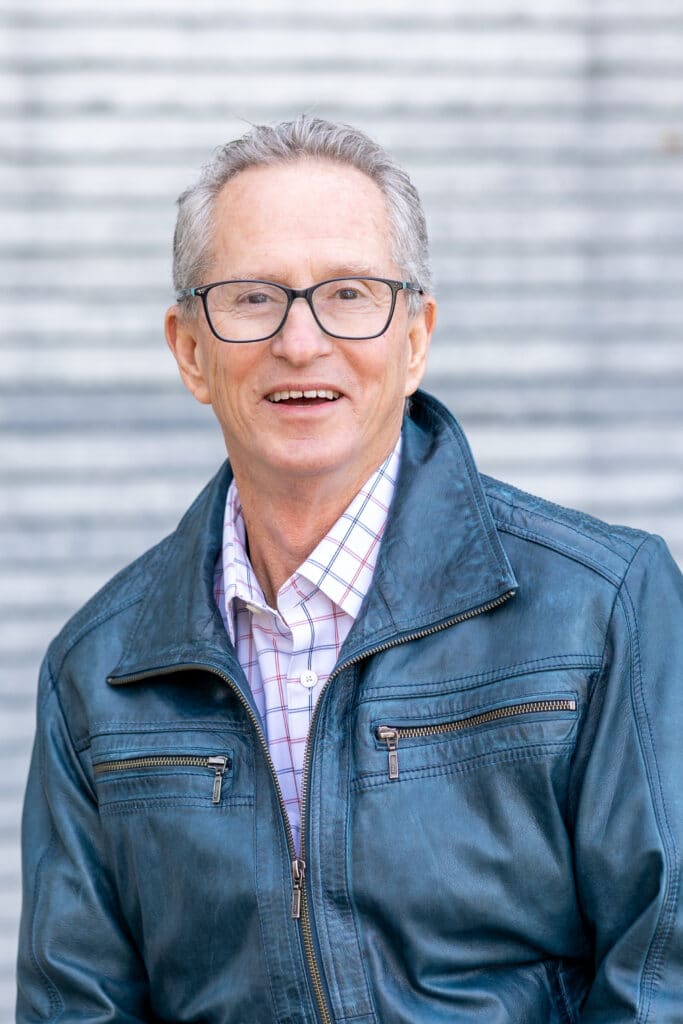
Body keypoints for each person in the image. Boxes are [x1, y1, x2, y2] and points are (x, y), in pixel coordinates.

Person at [16, 116, 683, 1024]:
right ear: (188, 350)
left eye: (349, 294)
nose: (301, 342)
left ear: (414, 338)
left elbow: (662, 973)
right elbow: (76, 1007)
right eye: (252, 298)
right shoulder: (99, 670)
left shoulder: (601, 607)